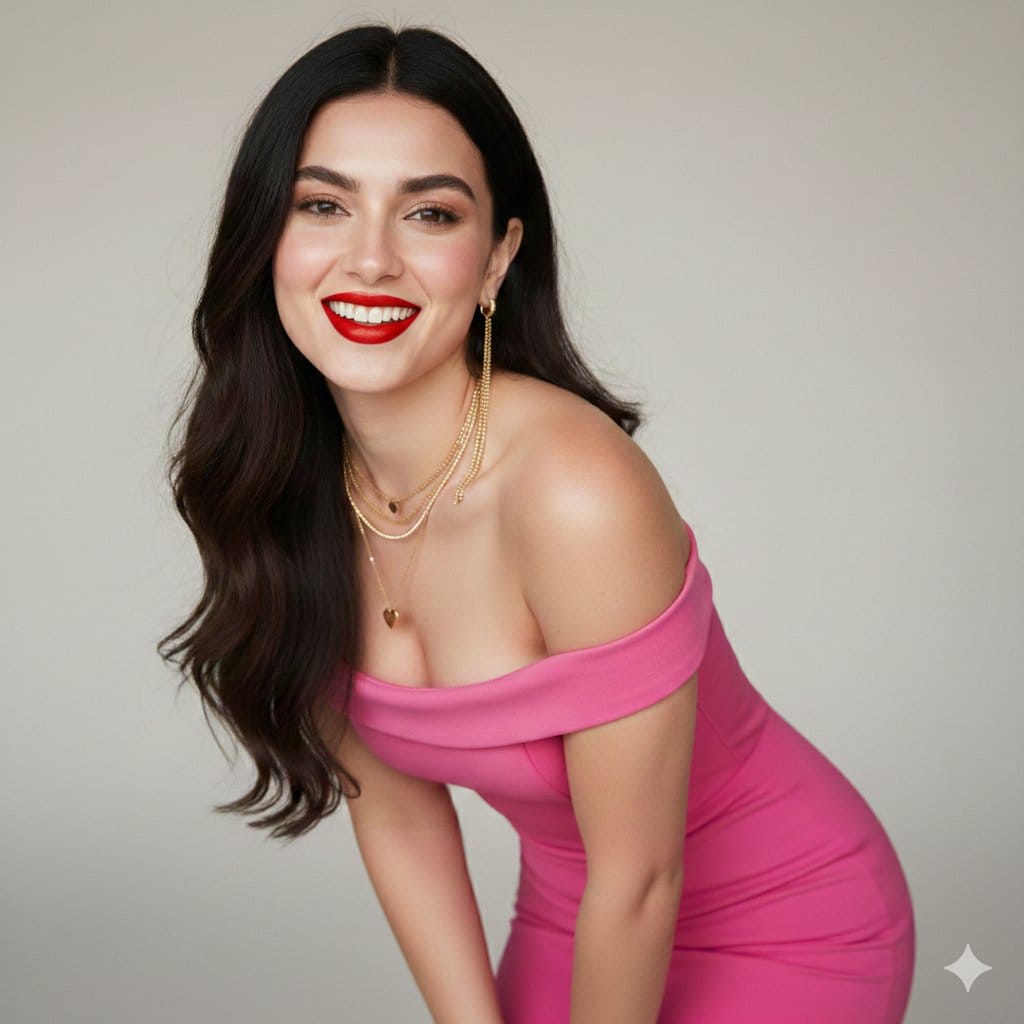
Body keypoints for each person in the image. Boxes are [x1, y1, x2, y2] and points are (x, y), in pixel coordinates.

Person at [158, 21, 916, 1024]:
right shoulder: (292, 487)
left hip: (784, 922)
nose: (371, 258)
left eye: (429, 214)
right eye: (323, 204)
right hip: (571, 916)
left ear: (497, 256)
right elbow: (394, 810)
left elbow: (641, 876)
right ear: (266, 239)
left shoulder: (575, 488)